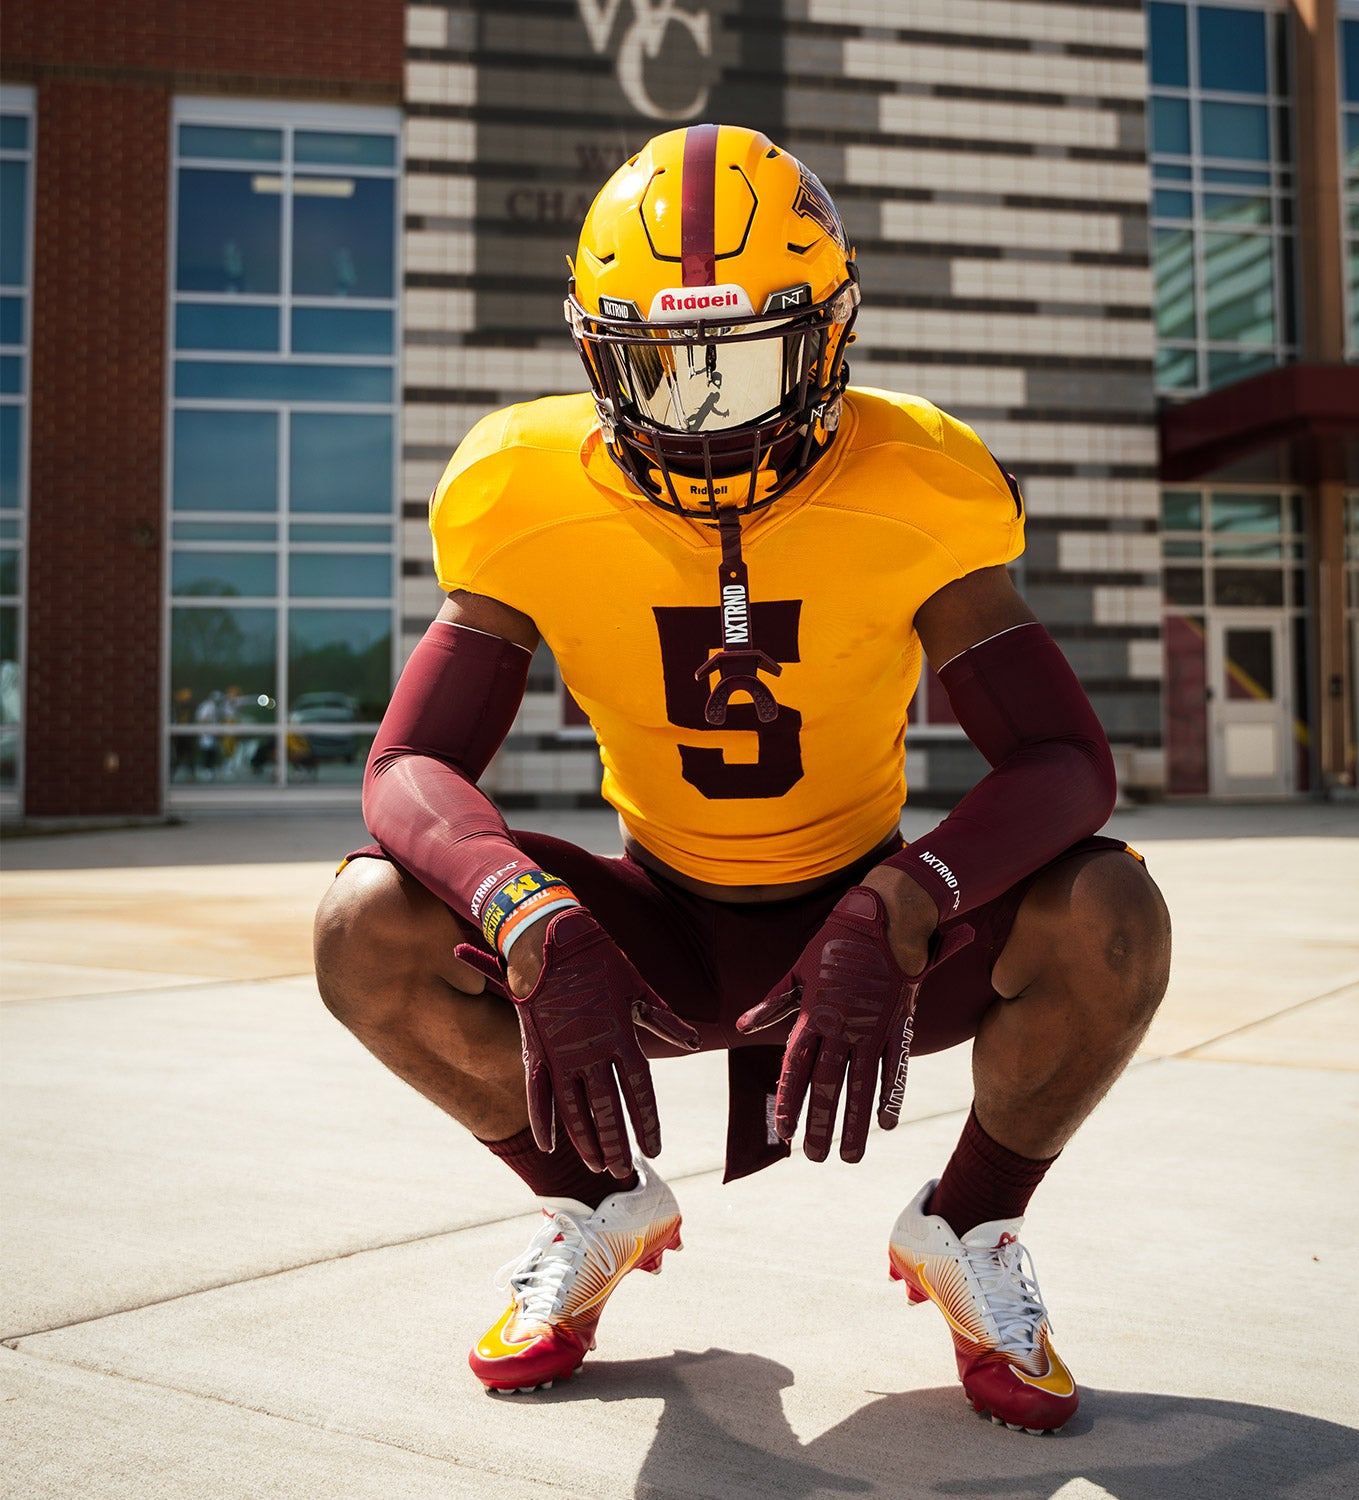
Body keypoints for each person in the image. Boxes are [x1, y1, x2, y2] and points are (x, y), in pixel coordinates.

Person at [314, 124, 1171, 1434]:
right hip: (650, 925)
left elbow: (1065, 762)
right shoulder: (520, 485)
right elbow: (412, 763)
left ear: (826, 342)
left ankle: (974, 1222)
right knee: (365, 924)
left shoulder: (921, 481)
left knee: (1113, 915)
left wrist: (903, 901)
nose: (702, 416)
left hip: (866, 927)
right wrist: (524, 912)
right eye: (660, 367)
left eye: (746, 361)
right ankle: (594, 1202)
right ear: (598, 353)